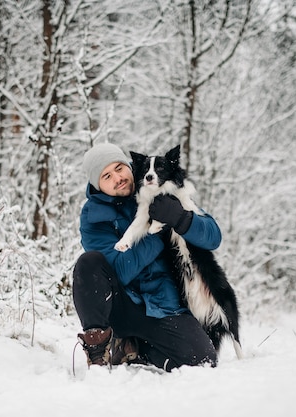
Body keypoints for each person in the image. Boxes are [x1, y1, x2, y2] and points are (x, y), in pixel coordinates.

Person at [73, 142, 222, 372]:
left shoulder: (158, 183)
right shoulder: (93, 218)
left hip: (164, 305)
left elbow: (213, 237)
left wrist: (182, 219)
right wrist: (159, 233)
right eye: (107, 176)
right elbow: (121, 271)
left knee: (203, 361)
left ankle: (139, 348)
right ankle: (99, 350)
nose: (118, 178)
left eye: (119, 168)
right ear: (98, 184)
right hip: (123, 306)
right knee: (88, 263)